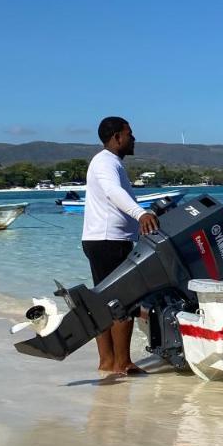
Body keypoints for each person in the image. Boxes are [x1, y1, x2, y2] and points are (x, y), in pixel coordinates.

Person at [81, 117, 160, 380]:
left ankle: (108, 362)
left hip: (104, 240)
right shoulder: (105, 162)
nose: (133, 138)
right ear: (117, 137)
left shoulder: (108, 162)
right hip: (108, 242)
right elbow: (114, 193)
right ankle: (123, 364)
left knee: (104, 301)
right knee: (122, 301)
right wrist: (140, 214)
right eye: (130, 133)